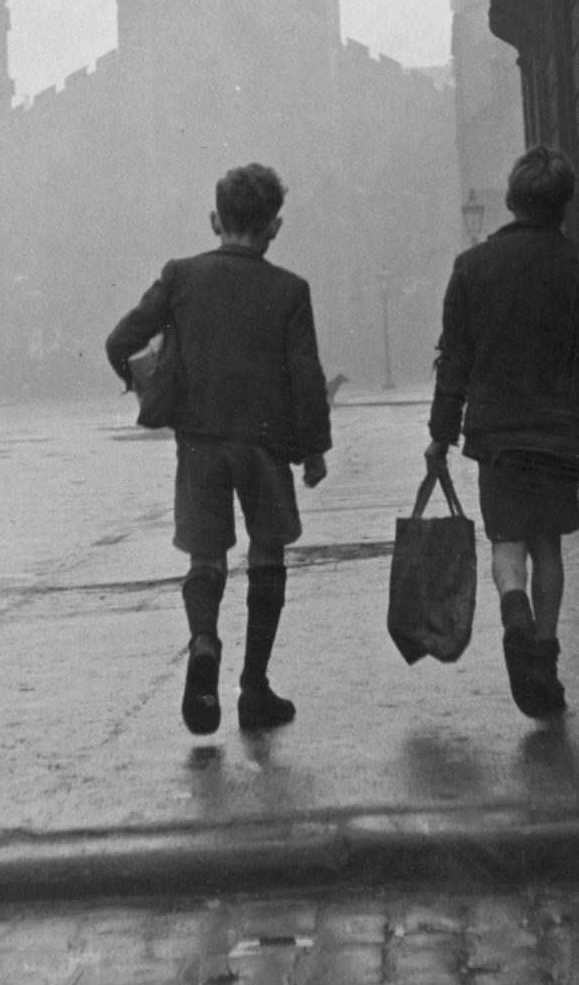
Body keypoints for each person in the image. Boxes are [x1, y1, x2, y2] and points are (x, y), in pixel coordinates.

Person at [106, 163, 331, 735]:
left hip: (200, 442)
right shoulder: (290, 290)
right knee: (267, 555)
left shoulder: (180, 276)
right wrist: (314, 450)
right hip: (266, 445)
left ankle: (204, 641)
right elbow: (305, 377)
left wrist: (147, 384)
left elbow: (119, 341)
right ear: (274, 227)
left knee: (205, 557)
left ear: (214, 220)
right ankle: (254, 688)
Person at [425, 146, 579, 718]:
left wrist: (440, 435)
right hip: (558, 431)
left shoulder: (472, 267)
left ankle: (514, 616)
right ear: (566, 205)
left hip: (497, 433)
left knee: (507, 543)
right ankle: (543, 657)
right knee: (548, 544)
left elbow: (454, 360)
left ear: (510, 200)